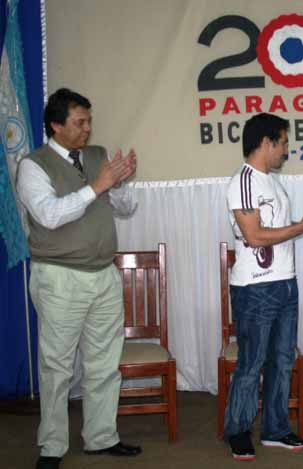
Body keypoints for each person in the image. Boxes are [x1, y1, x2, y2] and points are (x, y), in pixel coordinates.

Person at [16, 88, 140, 469]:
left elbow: (126, 208)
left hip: (103, 274)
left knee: (104, 362)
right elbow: (49, 215)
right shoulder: (33, 165)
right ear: (56, 125)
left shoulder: (97, 156)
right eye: (79, 122)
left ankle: (101, 437)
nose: (87, 129)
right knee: (57, 367)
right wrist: (97, 185)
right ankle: (52, 446)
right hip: (60, 278)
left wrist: (120, 183)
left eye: (89, 121)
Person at [224, 113, 303, 461]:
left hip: (285, 283)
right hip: (255, 288)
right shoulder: (243, 181)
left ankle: (275, 429)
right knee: (251, 362)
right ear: (266, 143)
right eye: (283, 142)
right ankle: (238, 431)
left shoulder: (273, 183)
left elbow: (279, 230)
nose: (286, 150)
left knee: (282, 360)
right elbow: (254, 236)